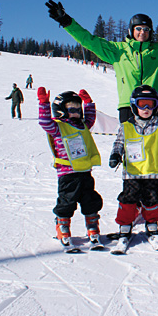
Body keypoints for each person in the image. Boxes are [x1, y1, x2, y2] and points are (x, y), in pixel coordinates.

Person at [46, 0, 158, 221]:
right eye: (138, 29)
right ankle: (133, 202)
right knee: (131, 155)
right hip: (128, 108)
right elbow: (89, 40)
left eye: (146, 29)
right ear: (131, 31)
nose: (142, 32)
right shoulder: (118, 52)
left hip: (154, 108)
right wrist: (67, 21)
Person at [108, 85, 158, 248]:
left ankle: (152, 225)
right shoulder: (126, 126)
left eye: (150, 104)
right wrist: (115, 154)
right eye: (142, 104)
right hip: (132, 173)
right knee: (128, 199)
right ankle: (125, 226)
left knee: (152, 199)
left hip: (152, 171)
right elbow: (119, 143)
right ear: (135, 105)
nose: (147, 108)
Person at [38, 87, 103, 250]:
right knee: (67, 202)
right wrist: (44, 104)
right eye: (71, 109)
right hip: (67, 175)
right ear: (60, 111)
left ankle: (92, 226)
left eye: (77, 109)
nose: (75, 112)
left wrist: (89, 103)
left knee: (90, 201)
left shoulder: (82, 125)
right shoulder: (58, 127)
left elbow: (90, 118)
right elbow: (45, 123)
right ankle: (63, 226)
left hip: (85, 172)